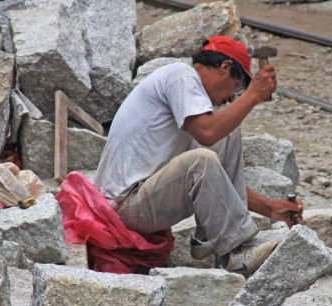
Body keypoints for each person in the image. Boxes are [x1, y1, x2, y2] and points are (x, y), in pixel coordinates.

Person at [93, 36, 303, 277]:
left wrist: (270, 208)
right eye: (236, 88)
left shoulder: (185, 104)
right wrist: (253, 94)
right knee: (205, 154)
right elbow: (207, 133)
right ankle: (234, 252)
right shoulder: (182, 76)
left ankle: (208, 237)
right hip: (119, 208)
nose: (232, 98)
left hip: (140, 202)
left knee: (227, 137)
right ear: (224, 68)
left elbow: (216, 181)